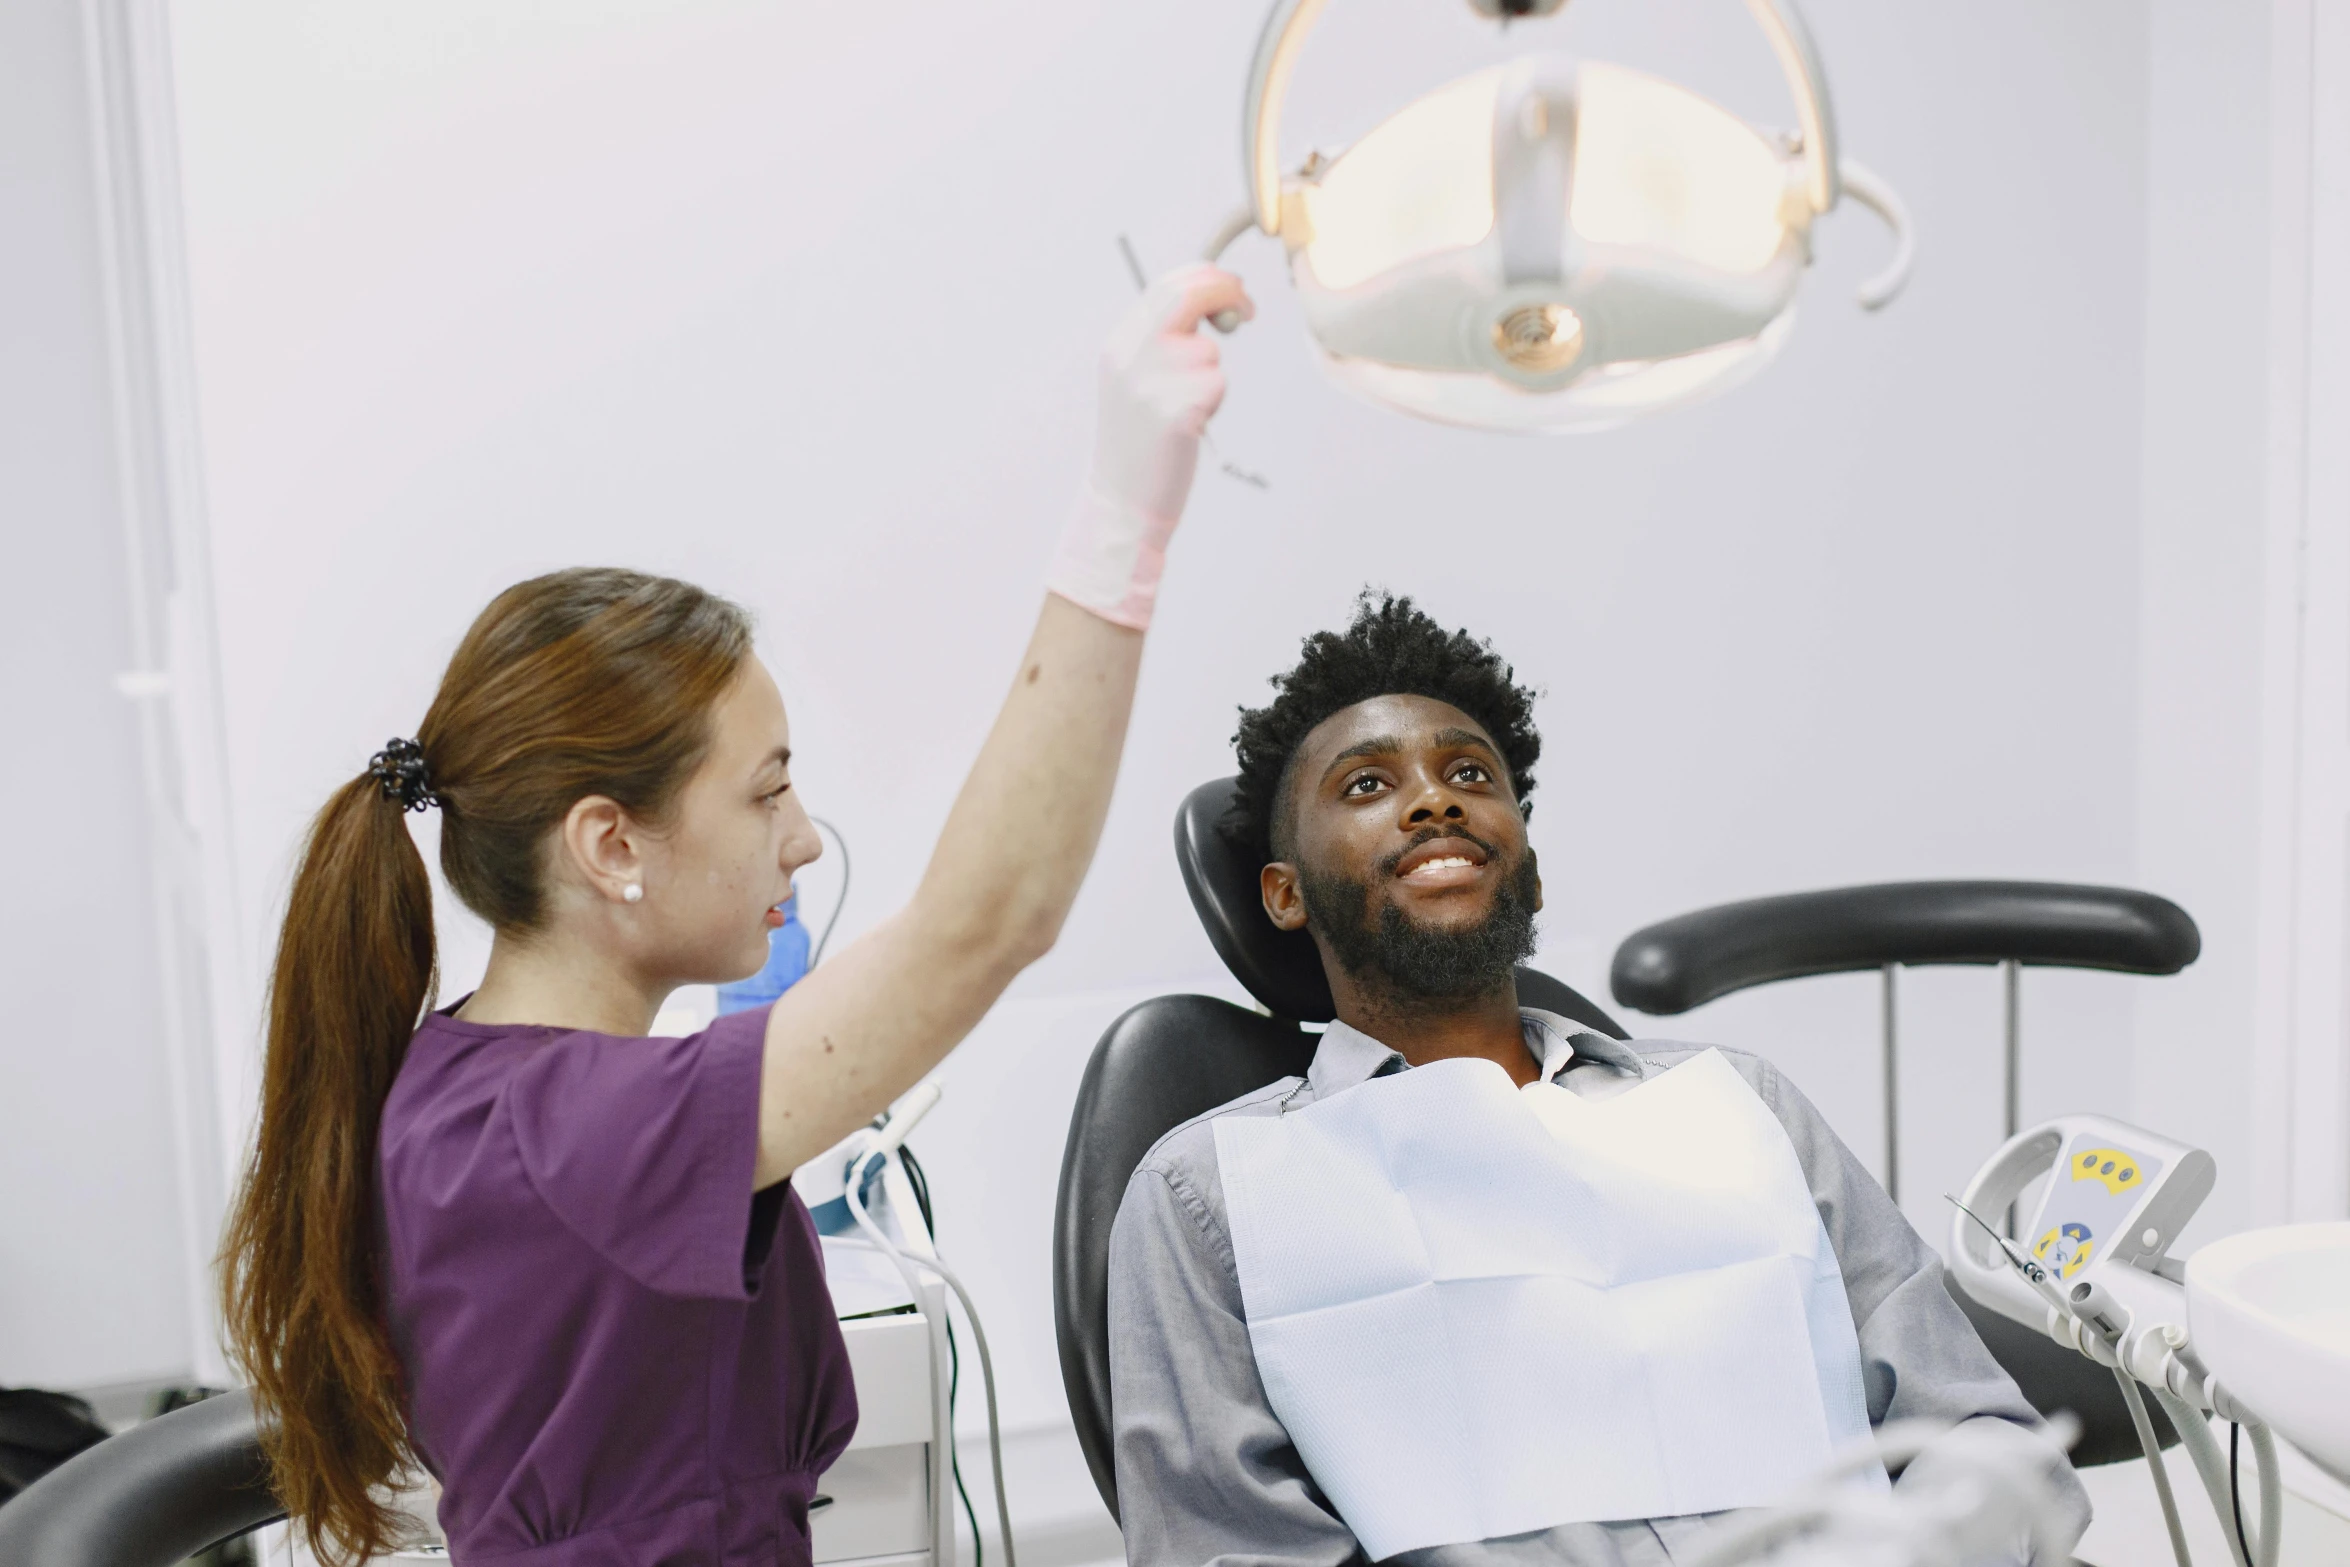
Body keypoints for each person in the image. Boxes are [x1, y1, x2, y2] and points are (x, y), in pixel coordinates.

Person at [216, 263, 1253, 1567]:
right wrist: (1123, 516)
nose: (806, 836)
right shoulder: (575, 1133)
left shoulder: (462, 1087)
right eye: (765, 790)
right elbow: (986, 919)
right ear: (610, 843)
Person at [1105, 591, 2089, 1567]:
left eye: (1467, 773)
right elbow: (1226, 1550)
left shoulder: (1739, 1105)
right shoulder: (1209, 1196)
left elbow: (1982, 1438)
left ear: (1529, 872)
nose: (1432, 798)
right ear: (1283, 892)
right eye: (1366, 785)